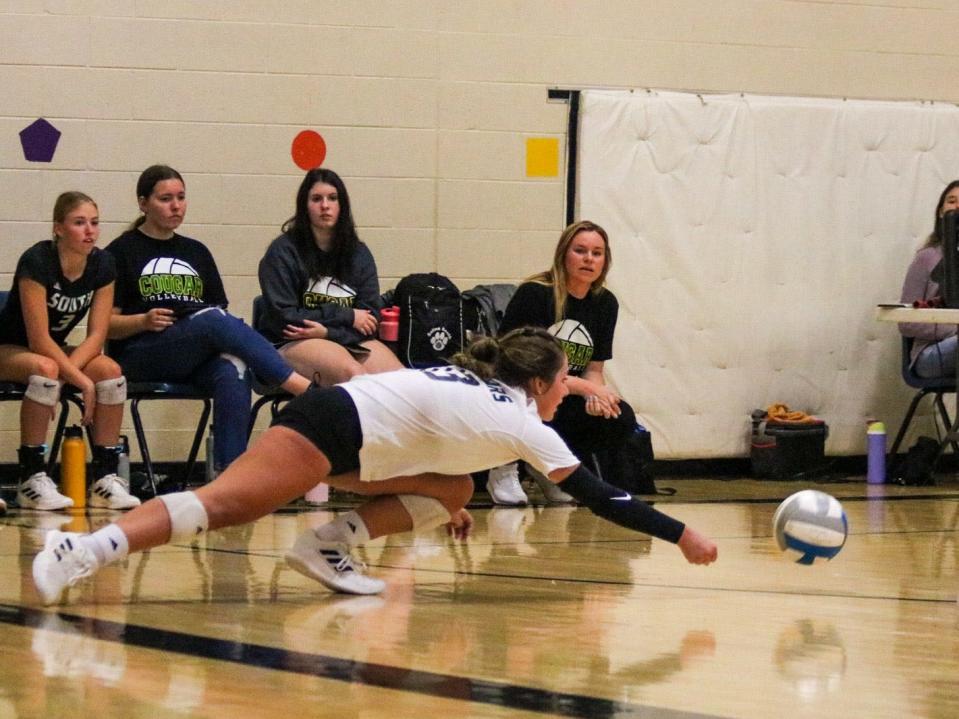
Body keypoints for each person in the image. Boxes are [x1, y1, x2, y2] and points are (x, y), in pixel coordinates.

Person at [32, 327, 717, 605]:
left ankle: (327, 546)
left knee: (454, 486)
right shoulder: (515, 419)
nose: (567, 391)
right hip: (331, 427)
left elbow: (435, 448)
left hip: (363, 444)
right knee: (227, 504)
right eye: (565, 382)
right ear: (538, 384)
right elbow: (601, 496)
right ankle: (87, 546)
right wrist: (680, 532)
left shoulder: (493, 397)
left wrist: (441, 499)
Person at [106, 165, 312, 476]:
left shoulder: (196, 251)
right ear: (143, 203)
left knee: (234, 368)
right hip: (141, 352)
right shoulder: (121, 251)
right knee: (215, 320)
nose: (176, 206)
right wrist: (142, 321)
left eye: (181, 197)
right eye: (165, 199)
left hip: (192, 351)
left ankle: (230, 476)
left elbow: (218, 316)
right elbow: (105, 325)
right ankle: (299, 386)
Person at [0, 192, 139, 512]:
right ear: (58, 228)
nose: (89, 230)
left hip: (52, 351)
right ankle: (31, 478)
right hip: (10, 347)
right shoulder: (37, 261)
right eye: (79, 223)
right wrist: (80, 381)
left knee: (109, 371)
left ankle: (105, 479)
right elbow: (38, 339)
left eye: (94, 222)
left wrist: (77, 377)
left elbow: (97, 335)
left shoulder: (103, 264)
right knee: (47, 369)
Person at [488, 220, 638, 505]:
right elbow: (514, 364)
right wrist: (586, 388)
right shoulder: (535, 293)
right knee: (523, 396)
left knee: (618, 417)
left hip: (564, 392)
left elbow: (594, 369)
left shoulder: (606, 303)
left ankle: (550, 466)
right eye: (580, 250)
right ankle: (503, 468)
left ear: (605, 261)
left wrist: (598, 397)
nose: (588, 259)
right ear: (563, 255)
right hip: (524, 387)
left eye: (597, 253)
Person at [257, 167, 402, 385]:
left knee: (403, 382)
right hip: (291, 342)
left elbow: (371, 319)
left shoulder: (359, 253)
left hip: (344, 338)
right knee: (354, 376)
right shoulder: (283, 252)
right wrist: (348, 316)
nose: (325, 205)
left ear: (342, 205)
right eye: (316, 199)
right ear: (304, 206)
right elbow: (286, 318)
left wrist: (327, 331)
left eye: (332, 198)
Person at [899, 180, 959, 378]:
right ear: (941, 212)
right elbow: (906, 323)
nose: (957, 206)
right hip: (931, 355)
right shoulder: (927, 257)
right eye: (952, 201)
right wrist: (953, 329)